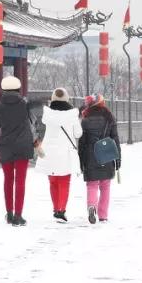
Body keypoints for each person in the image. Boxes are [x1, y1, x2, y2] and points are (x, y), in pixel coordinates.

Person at [0, 75, 36, 226]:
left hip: (6, 146)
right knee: (20, 181)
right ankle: (18, 215)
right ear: (18, 88)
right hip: (23, 146)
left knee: (8, 180)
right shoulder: (25, 104)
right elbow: (32, 121)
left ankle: (9, 214)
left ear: (3, 89)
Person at [35, 87, 82, 223]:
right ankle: (61, 210)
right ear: (66, 98)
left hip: (49, 152)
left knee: (53, 182)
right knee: (64, 182)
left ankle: (56, 209)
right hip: (65, 153)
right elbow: (78, 133)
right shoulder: (72, 115)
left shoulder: (48, 114)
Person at [78, 94, 120, 224]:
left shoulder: (85, 120)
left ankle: (91, 206)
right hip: (106, 154)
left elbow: (82, 143)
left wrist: (81, 160)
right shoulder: (109, 118)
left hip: (90, 156)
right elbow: (115, 139)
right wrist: (118, 158)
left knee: (92, 184)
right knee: (105, 186)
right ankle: (103, 215)